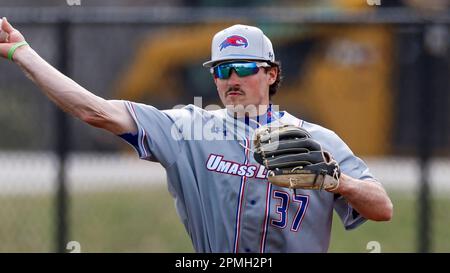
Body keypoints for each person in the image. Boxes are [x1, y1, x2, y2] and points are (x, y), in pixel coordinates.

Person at [0, 19, 392, 253]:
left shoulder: (318, 139)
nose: (231, 78)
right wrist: (23, 53)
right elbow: (95, 111)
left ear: (271, 73)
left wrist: (338, 182)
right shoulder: (189, 128)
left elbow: (381, 208)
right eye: (221, 70)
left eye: (242, 67)